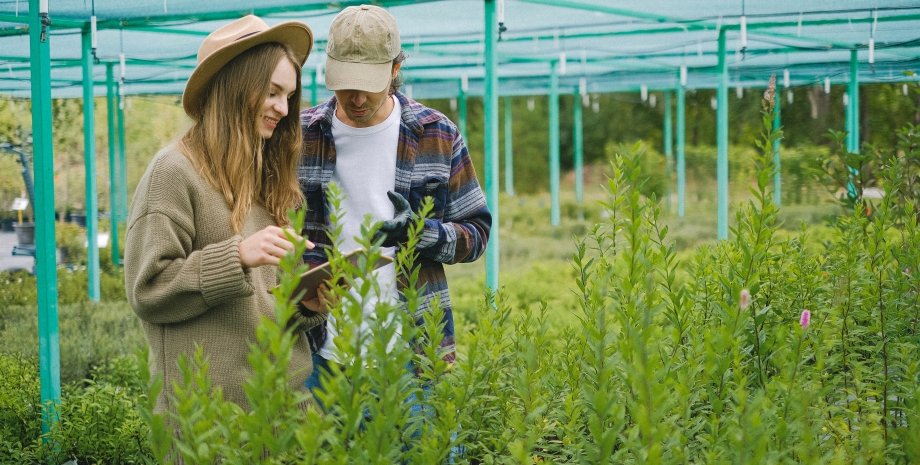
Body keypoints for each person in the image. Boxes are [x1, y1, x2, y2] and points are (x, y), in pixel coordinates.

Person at [124, 15, 324, 414]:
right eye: (272, 92)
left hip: (289, 413)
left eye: (288, 96)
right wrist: (237, 256)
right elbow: (147, 290)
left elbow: (266, 309)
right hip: (214, 425)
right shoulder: (173, 173)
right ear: (237, 87)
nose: (284, 109)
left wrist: (306, 304)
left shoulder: (273, 180)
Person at [298, 4, 491, 394]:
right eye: (346, 82)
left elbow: (477, 233)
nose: (356, 98)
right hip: (320, 350)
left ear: (395, 68)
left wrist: (420, 233)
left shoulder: (437, 134)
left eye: (368, 83)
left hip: (413, 350)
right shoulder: (301, 136)